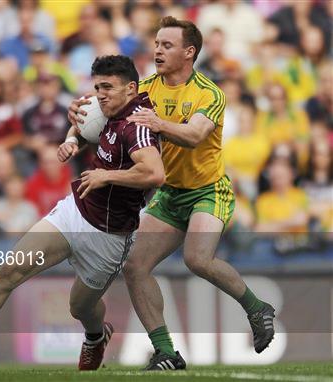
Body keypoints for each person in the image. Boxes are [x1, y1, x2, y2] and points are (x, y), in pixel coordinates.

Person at [0, 55, 165, 370]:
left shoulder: (139, 125)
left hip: (110, 236)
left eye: (108, 87)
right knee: (11, 270)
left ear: (131, 88)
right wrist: (70, 140)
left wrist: (107, 175)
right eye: (98, 86)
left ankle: (95, 336)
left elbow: (155, 173)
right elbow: (81, 125)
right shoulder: (108, 107)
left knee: (81, 308)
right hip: (74, 212)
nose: (100, 94)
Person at [69, 16, 276, 372]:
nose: (158, 50)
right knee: (135, 266)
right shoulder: (146, 87)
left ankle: (257, 307)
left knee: (197, 259)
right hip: (169, 195)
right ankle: (166, 351)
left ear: (189, 52)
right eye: (157, 44)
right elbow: (103, 112)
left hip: (208, 191)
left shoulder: (209, 93)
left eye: (167, 45)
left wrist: (158, 123)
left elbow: (195, 135)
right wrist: (76, 121)